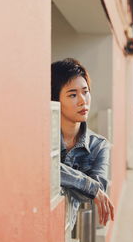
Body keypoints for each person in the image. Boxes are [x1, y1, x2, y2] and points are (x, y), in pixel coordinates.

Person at [51, 58, 114, 230]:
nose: (82, 100)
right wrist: (87, 185)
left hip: (69, 231)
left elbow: (96, 191)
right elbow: (44, 166)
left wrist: (88, 188)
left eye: (85, 92)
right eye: (72, 94)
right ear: (55, 100)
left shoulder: (99, 146)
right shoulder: (43, 138)